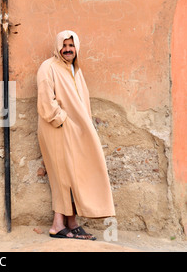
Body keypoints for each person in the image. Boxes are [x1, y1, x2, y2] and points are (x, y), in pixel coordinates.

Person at [36, 30, 115, 240]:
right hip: (57, 129)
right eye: (64, 45)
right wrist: (62, 120)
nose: (68, 49)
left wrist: (83, 127)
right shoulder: (48, 67)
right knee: (63, 175)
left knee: (75, 174)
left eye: (71, 46)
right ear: (58, 47)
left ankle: (71, 223)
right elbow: (45, 101)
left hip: (77, 131)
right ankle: (57, 225)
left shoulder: (76, 70)